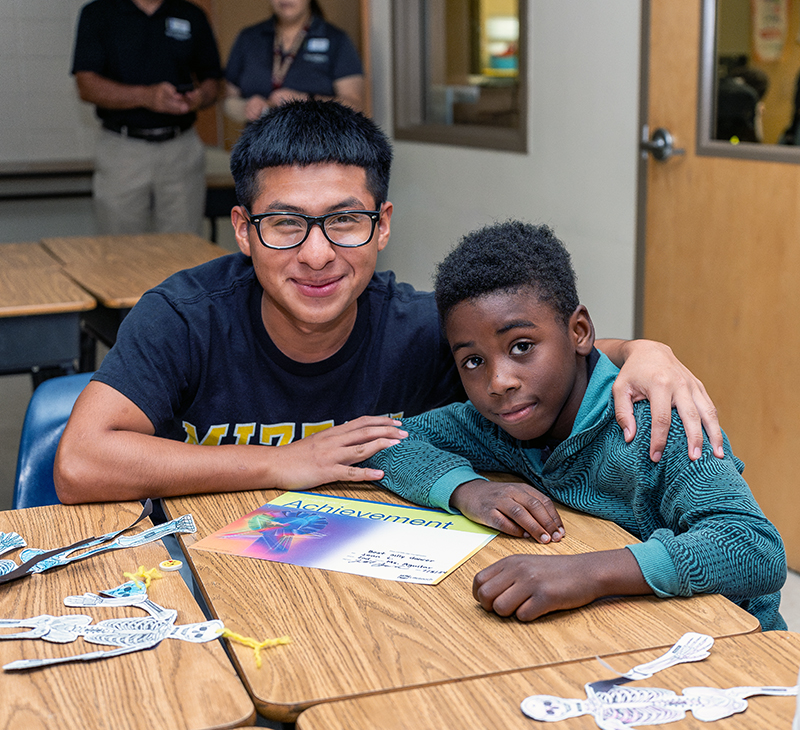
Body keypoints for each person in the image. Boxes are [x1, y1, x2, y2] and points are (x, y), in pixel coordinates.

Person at [54, 100, 723, 506]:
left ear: (383, 224)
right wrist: (283, 462)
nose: (316, 254)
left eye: (344, 221)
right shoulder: (185, 315)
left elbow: (538, 351)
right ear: (241, 230)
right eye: (285, 224)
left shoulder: (416, 326)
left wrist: (645, 351)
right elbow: (81, 462)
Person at [363, 220, 786, 631]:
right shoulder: (491, 423)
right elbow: (381, 442)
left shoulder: (657, 425)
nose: (499, 382)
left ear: (579, 331)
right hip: (623, 633)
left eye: (522, 346)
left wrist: (585, 573)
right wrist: (468, 490)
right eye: (473, 361)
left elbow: (753, 547)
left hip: (733, 646)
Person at [71, 0, 223, 235]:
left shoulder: (191, 14)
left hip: (180, 148)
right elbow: (86, 86)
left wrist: (200, 96)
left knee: (185, 247)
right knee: (120, 249)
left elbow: (213, 79)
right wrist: (146, 97)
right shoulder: (98, 13)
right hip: (123, 149)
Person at [224, 0, 364, 123]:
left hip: (317, 146)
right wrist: (247, 107)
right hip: (258, 145)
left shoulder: (336, 39)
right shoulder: (249, 38)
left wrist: (305, 101)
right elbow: (228, 100)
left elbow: (356, 106)